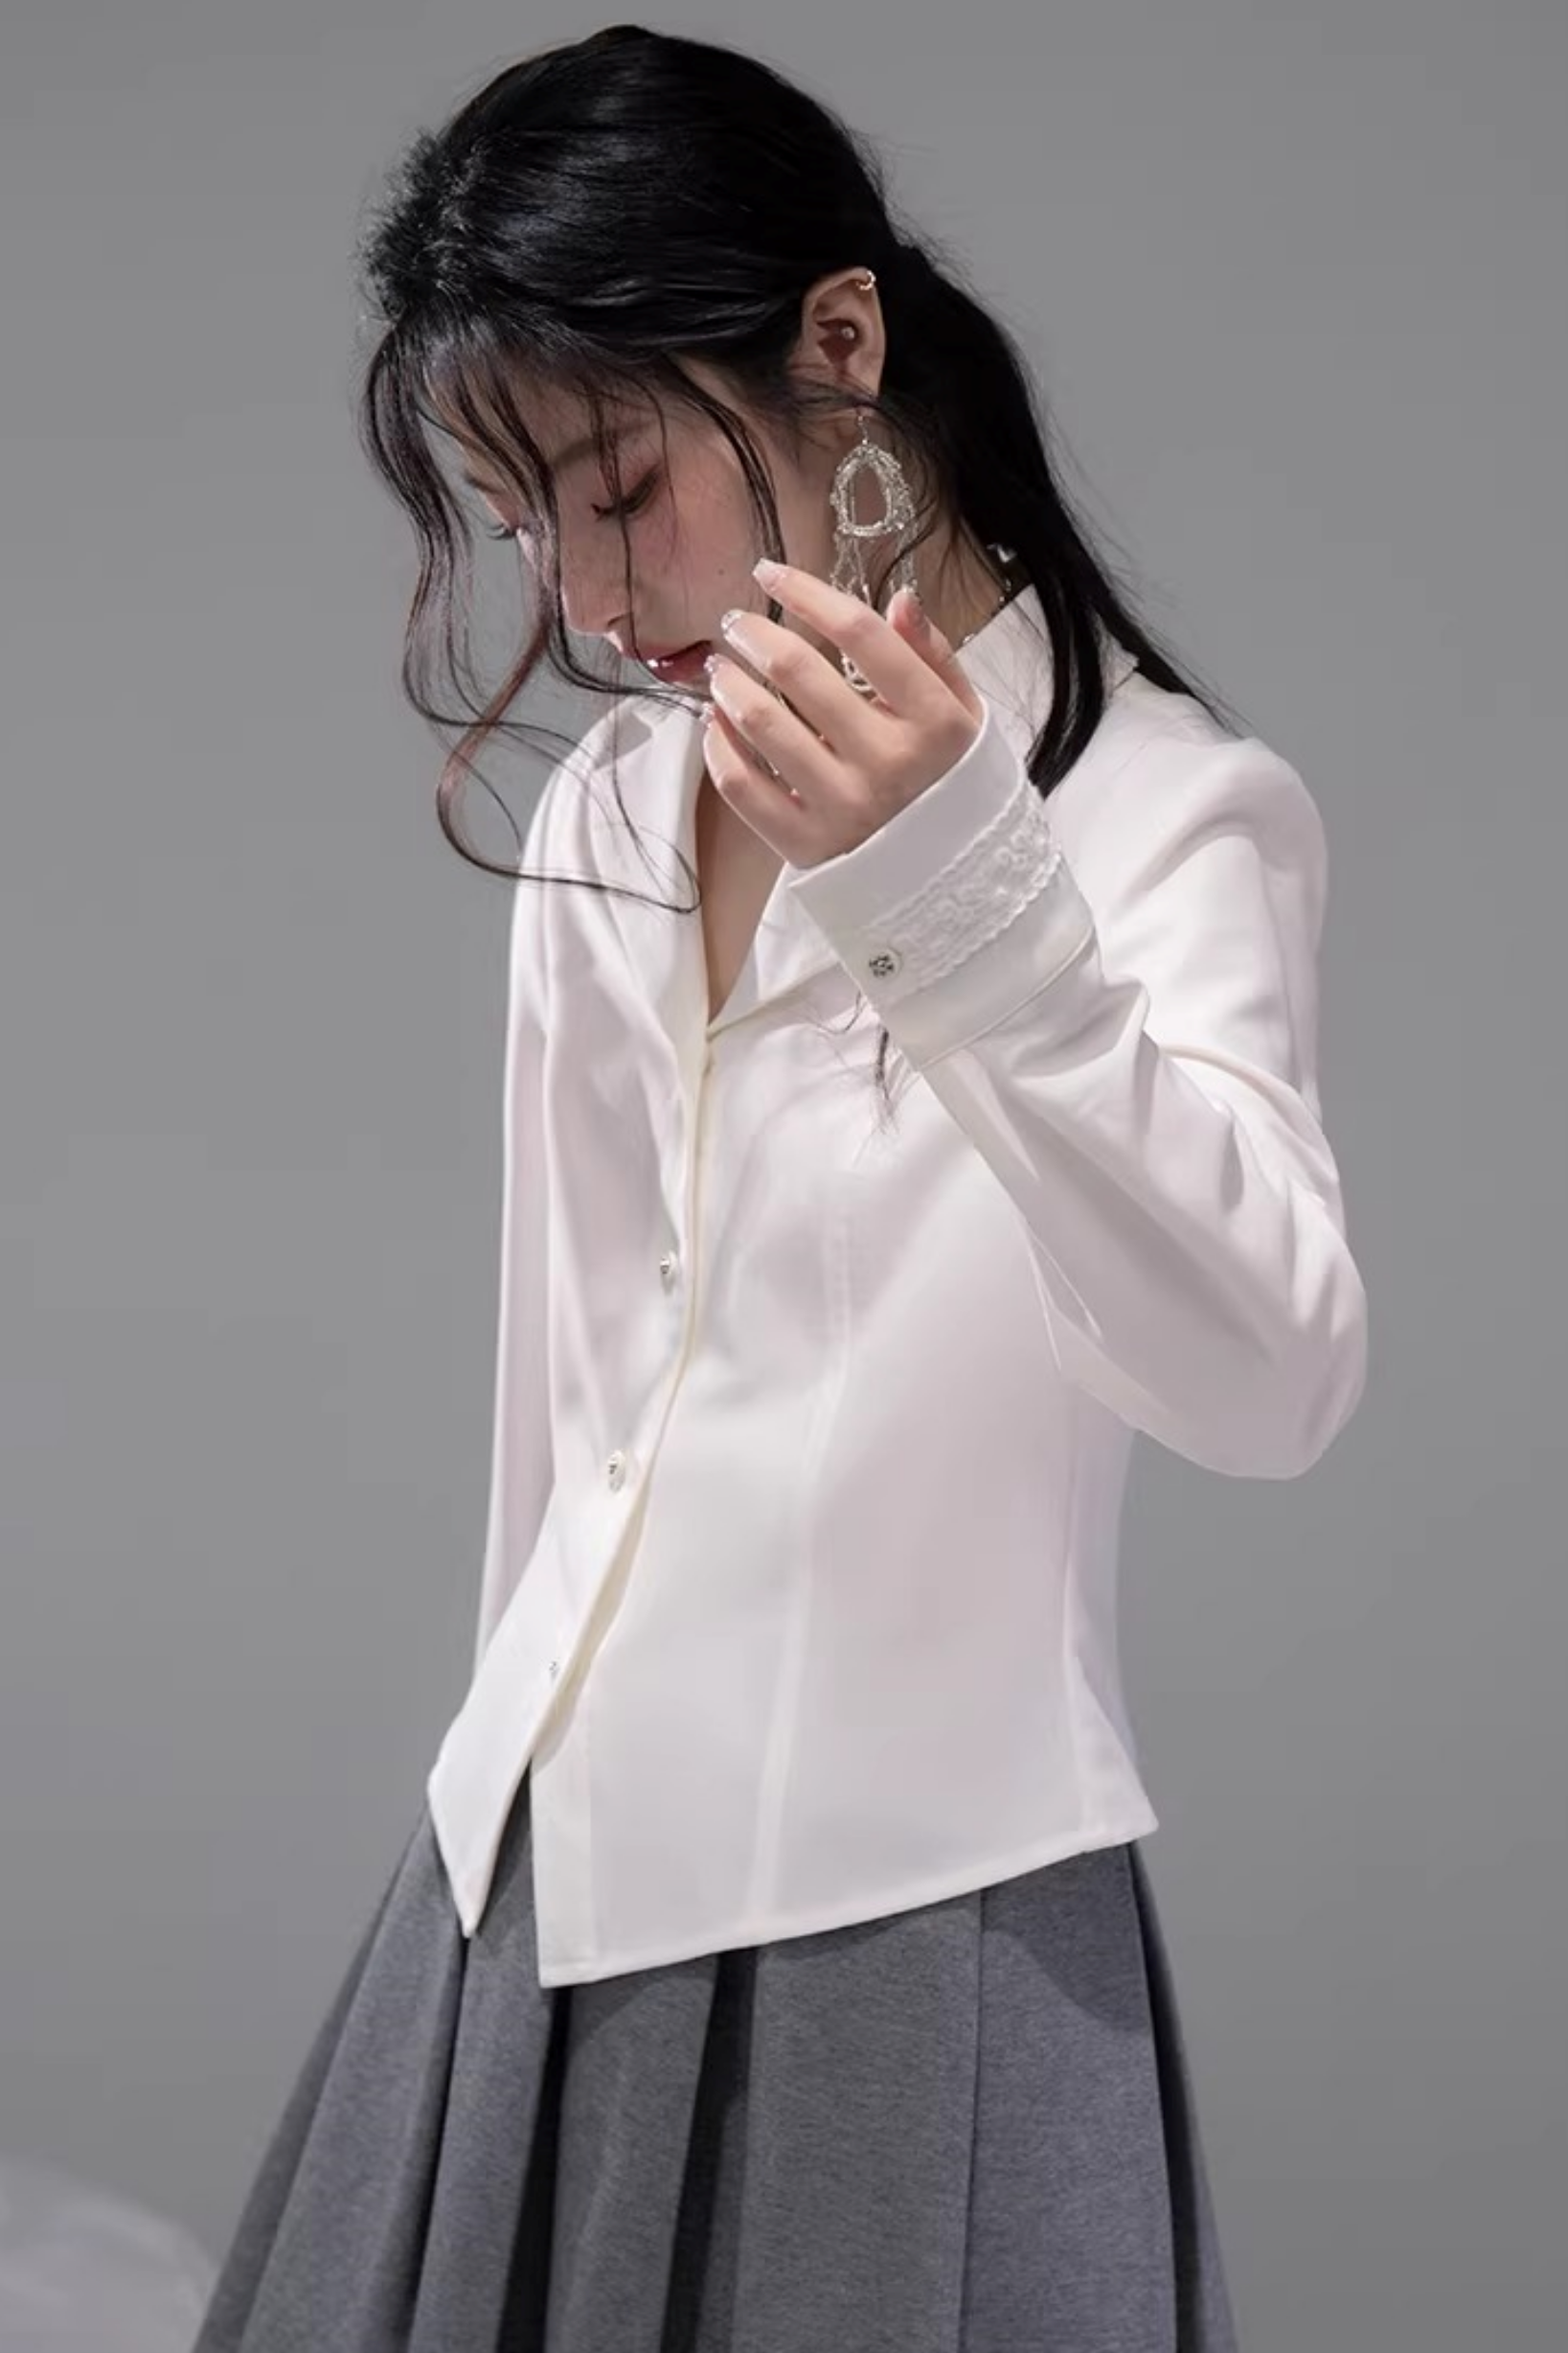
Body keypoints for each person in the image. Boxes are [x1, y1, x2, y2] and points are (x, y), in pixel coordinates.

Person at [193, 22, 1369, 2351]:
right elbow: (566, 1421)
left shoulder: (1160, 811)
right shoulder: (614, 813)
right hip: (527, 1891)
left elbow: (1272, 1378)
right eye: (523, 521)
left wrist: (966, 903)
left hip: (919, 1923)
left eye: (617, 483)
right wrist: (498, 1812)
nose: (585, 595)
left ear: (839, 343)